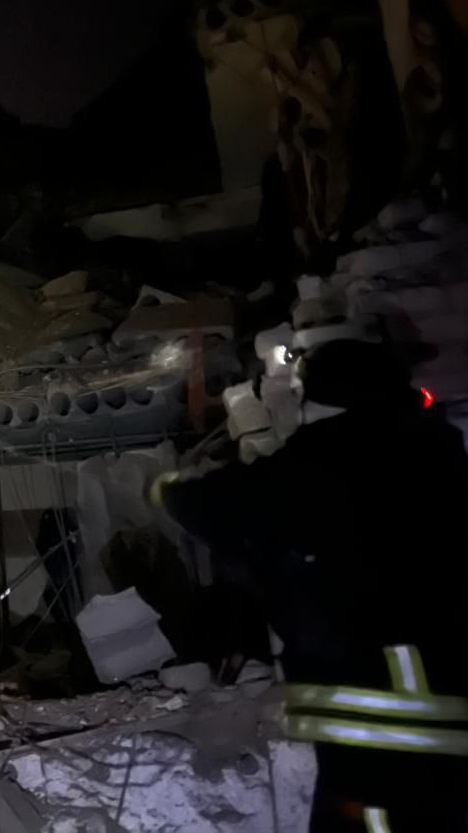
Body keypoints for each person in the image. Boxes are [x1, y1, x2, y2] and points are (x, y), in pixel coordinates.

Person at [150, 339, 468, 831]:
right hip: (441, 693)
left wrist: (163, 488)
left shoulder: (326, 458)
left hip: (387, 708)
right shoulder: (434, 451)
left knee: (378, 817)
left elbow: (221, 502)